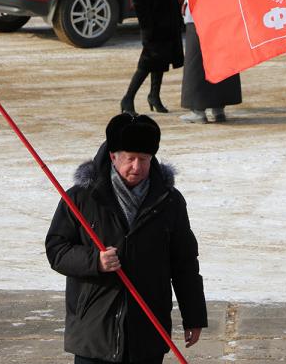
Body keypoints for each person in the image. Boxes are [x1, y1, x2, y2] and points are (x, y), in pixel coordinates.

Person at [46, 113, 207, 364]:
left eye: (144, 159)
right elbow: (57, 250)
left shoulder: (169, 201)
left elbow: (184, 262)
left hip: (147, 330)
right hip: (94, 332)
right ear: (113, 156)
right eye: (130, 158)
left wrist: (194, 317)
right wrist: (95, 261)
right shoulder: (82, 198)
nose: (137, 167)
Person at [179, 0, 242, 123]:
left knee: (197, 64)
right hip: (221, 19)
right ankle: (218, 108)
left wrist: (189, 5)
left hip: (199, 20)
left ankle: (198, 111)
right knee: (221, 61)